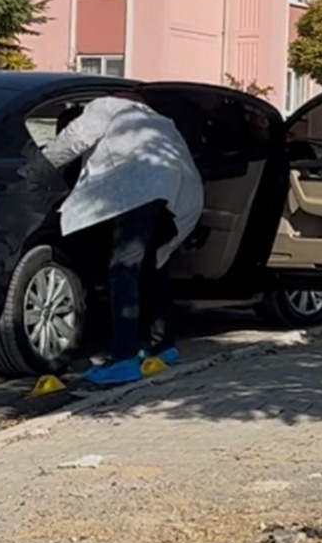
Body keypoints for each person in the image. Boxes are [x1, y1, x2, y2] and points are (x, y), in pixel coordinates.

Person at [39, 95, 204, 386]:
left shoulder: (101, 108)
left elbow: (76, 138)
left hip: (137, 189)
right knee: (153, 265)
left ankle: (124, 359)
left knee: (123, 269)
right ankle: (164, 348)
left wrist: (37, 168)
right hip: (174, 191)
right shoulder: (152, 116)